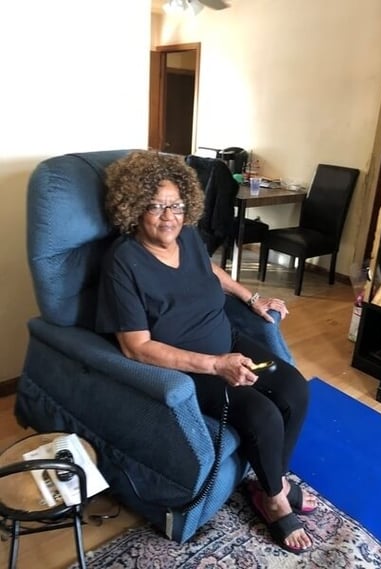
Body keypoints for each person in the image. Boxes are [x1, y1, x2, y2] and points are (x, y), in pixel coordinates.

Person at [96, 151, 317, 555]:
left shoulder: (189, 239)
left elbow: (211, 272)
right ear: (132, 207)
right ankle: (274, 499)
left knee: (295, 390)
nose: (169, 216)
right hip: (188, 368)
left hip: (226, 340)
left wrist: (251, 297)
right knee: (263, 414)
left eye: (177, 205)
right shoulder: (122, 262)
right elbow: (136, 346)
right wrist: (215, 366)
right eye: (156, 206)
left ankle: (273, 480)